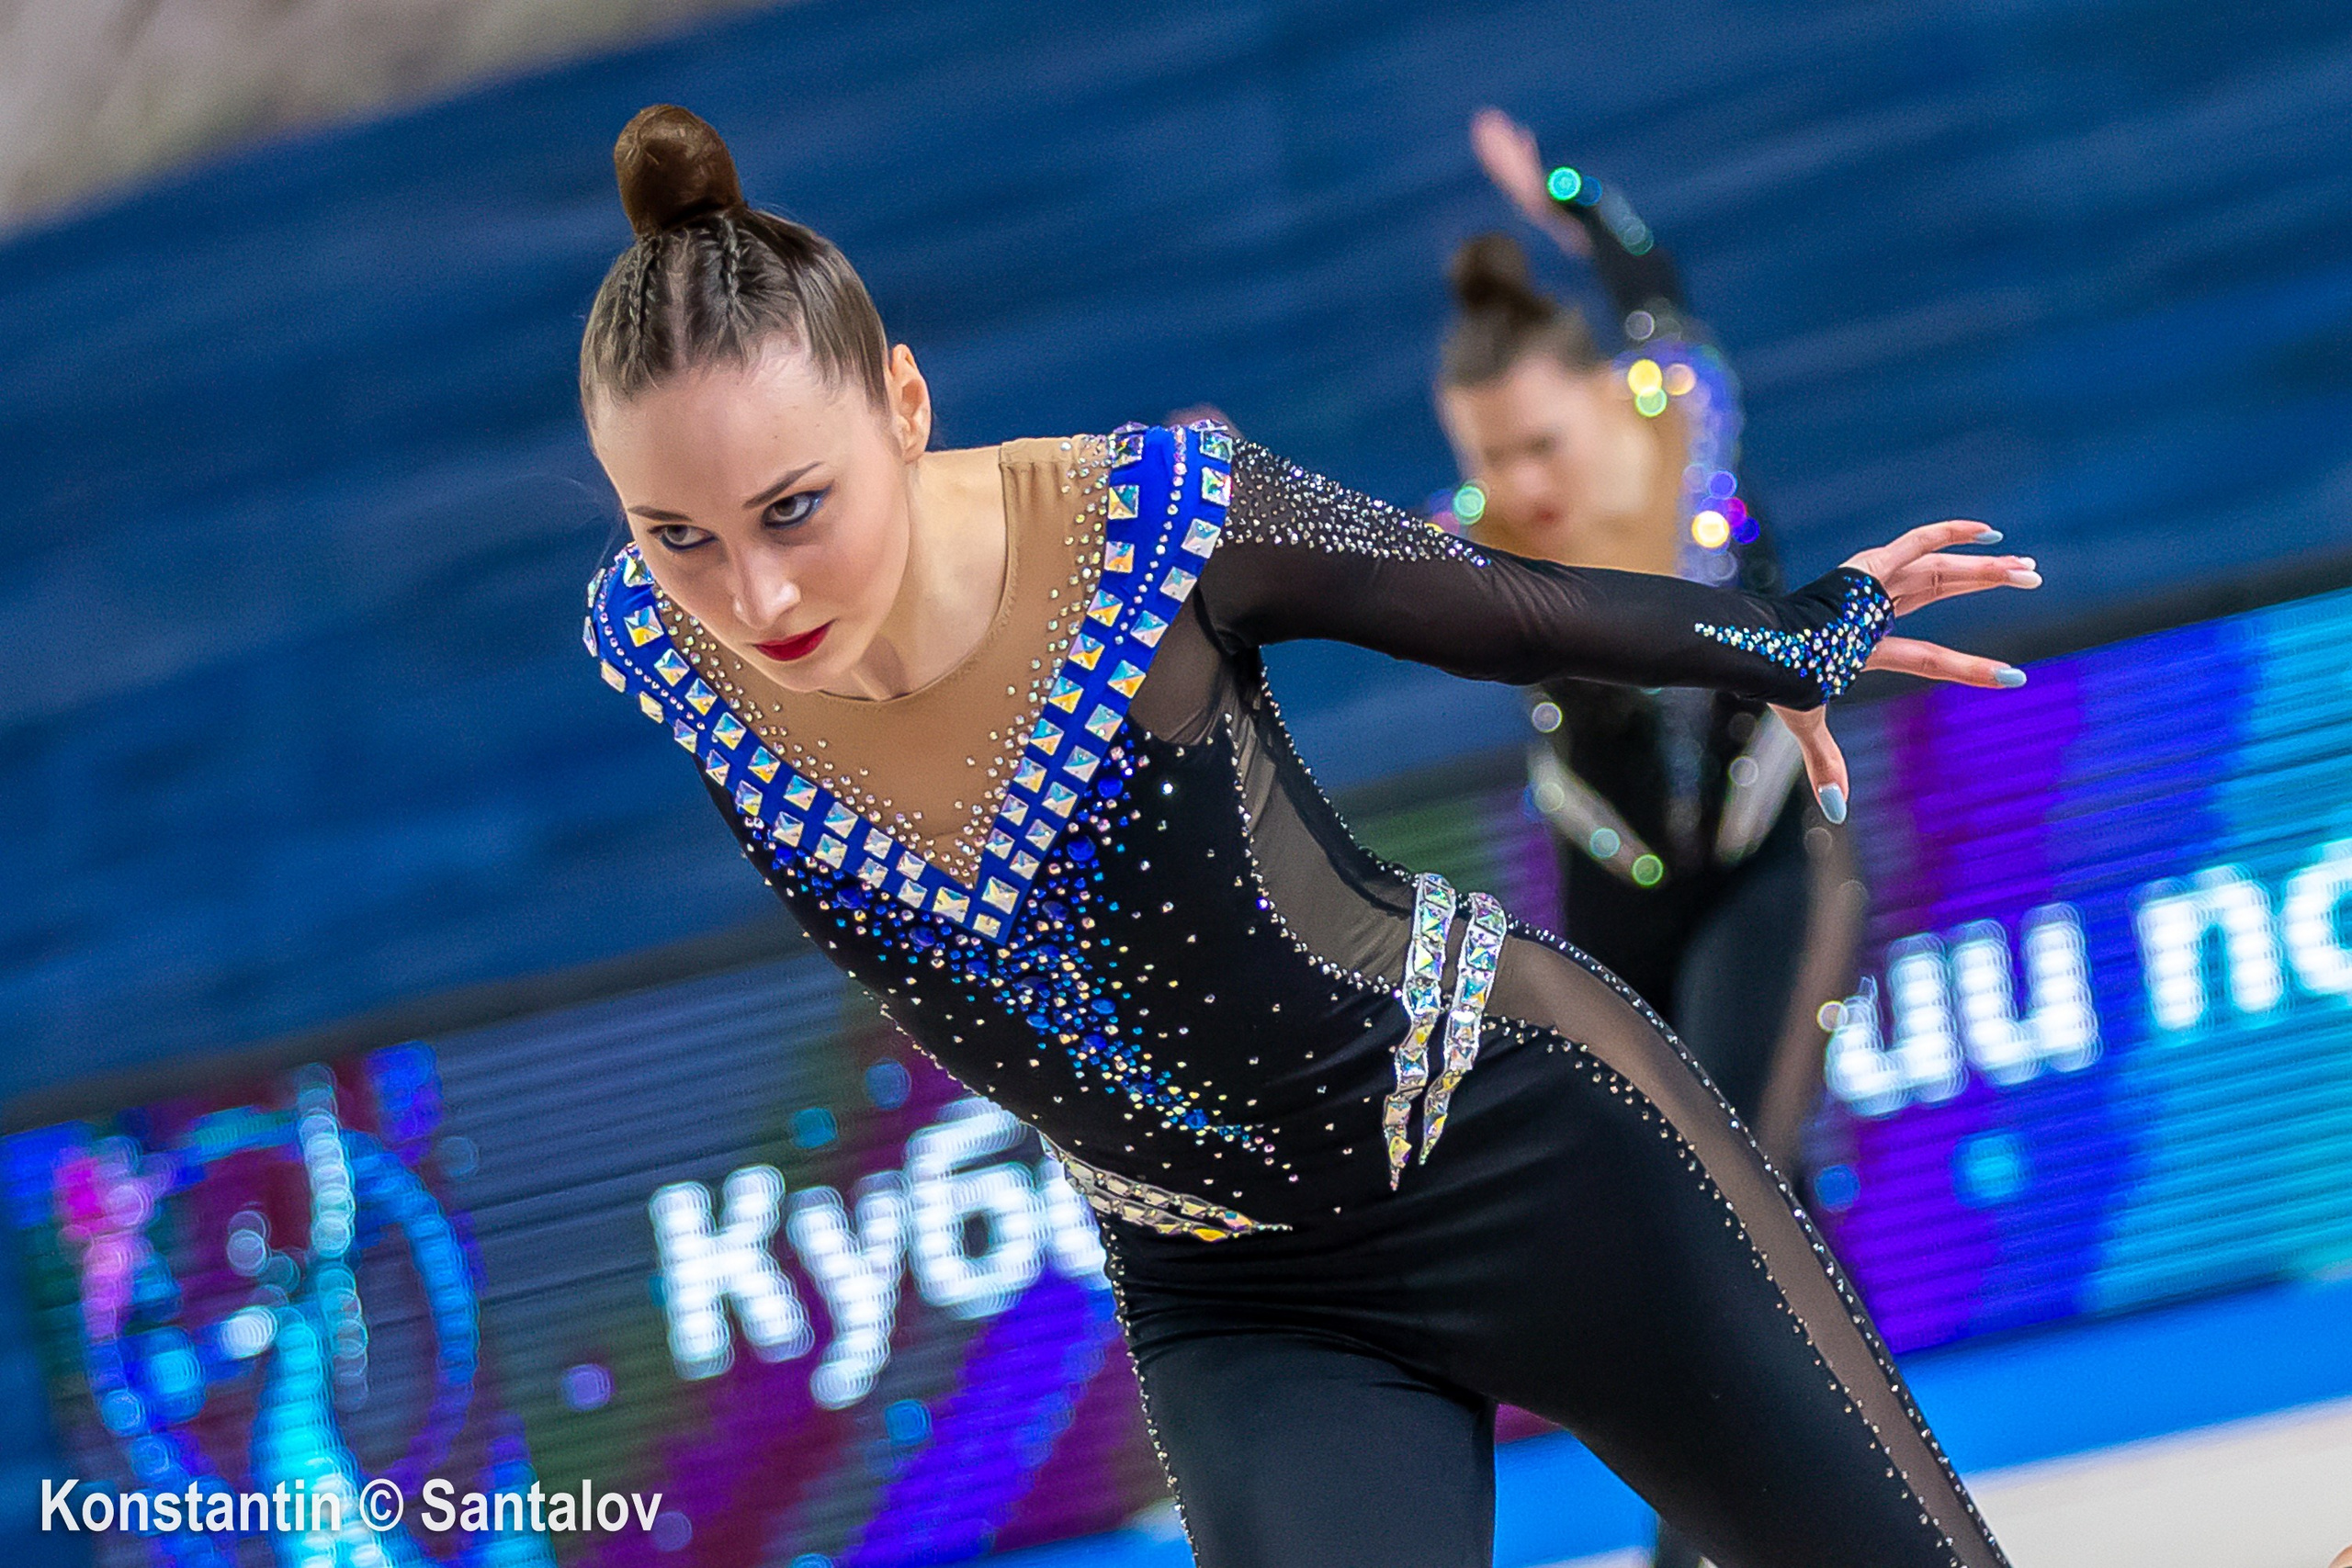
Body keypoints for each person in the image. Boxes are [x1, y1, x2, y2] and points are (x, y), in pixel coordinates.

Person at [578, 105, 2039, 1568]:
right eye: (678, 534)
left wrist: (1788, 636)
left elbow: (1507, 606)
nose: (756, 599)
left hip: (1524, 1139)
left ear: (903, 403)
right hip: (1238, 1301)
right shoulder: (654, 644)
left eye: (794, 509)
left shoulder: (1145, 523)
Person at [1434, 115, 1874, 1568]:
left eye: (1544, 442)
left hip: (1762, 864)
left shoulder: (1686, 424)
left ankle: (1721, 1535)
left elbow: (1646, 271)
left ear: (1609, 410)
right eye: (1493, 459)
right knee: (1718, 1199)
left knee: (1734, 1174)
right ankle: (1826, 1498)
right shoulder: (1480, 545)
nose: (1525, 481)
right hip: (1609, 891)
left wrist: (1562, 193)